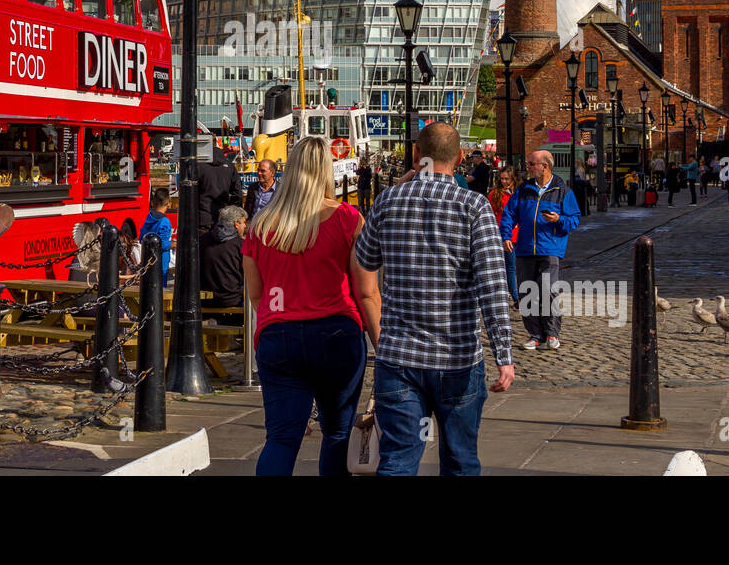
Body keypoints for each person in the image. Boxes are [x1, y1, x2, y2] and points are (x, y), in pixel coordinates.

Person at [356, 123, 515, 476]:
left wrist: (398, 194)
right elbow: (492, 285)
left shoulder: (388, 200)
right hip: (456, 358)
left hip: (399, 357)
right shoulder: (474, 206)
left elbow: (365, 259)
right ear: (460, 159)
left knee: (397, 460)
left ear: (415, 155)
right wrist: (504, 355)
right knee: (460, 460)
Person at [241, 137, 382, 477]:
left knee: (281, 439)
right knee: (336, 434)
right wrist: (385, 347)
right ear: (326, 172)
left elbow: (256, 294)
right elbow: (367, 294)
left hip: (279, 337)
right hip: (335, 334)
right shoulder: (348, 219)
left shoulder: (260, 226)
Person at [500, 149, 583, 352]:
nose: (527, 167)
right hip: (525, 249)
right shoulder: (524, 189)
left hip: (550, 249)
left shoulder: (562, 191)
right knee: (527, 293)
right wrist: (506, 235)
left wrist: (559, 220)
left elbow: (574, 219)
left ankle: (552, 333)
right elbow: (509, 214)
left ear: (544, 166)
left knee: (548, 291)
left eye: (531, 164)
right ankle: (535, 335)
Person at [201, 204, 246, 324]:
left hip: (206, 298)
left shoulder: (203, 240)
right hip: (231, 299)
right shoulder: (240, 245)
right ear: (236, 224)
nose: (245, 226)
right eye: (243, 222)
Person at [489, 165, 520, 307]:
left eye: (507, 179)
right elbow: (492, 215)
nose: (504, 181)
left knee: (521, 267)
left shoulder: (520, 193)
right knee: (511, 266)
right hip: (506, 235)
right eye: (502, 179)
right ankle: (516, 297)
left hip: (522, 235)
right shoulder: (496, 194)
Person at [197, 143, 243, 233]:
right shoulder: (230, 167)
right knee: (221, 245)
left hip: (203, 218)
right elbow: (238, 194)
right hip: (223, 218)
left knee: (202, 245)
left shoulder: (199, 166)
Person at [139, 187, 174, 279]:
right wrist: (176, 244)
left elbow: (141, 238)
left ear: (152, 203)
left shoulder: (148, 217)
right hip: (161, 263)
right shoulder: (165, 221)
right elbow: (163, 244)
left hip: (146, 260)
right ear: (169, 204)